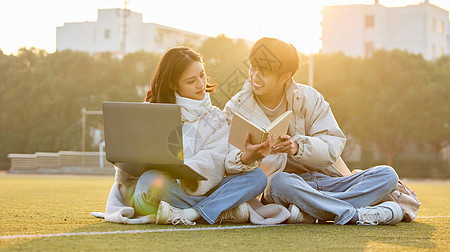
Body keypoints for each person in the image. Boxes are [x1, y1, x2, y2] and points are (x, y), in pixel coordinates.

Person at [224, 37, 404, 226]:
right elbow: (227, 161)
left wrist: (296, 147)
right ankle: (354, 214)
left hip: (326, 181)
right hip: (283, 187)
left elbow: (332, 146)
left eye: (264, 72)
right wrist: (248, 156)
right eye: (253, 67)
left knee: (387, 175)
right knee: (281, 182)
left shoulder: (309, 98)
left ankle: (312, 210)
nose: (255, 77)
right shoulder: (236, 108)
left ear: (285, 75)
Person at [115, 46, 267, 225]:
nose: (201, 84)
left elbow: (216, 158)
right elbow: (130, 165)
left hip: (202, 189)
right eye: (191, 80)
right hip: (165, 188)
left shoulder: (216, 117)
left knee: (257, 177)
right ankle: (220, 211)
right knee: (147, 183)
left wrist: (188, 171)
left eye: (202, 75)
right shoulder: (150, 111)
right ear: (173, 84)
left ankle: (192, 213)